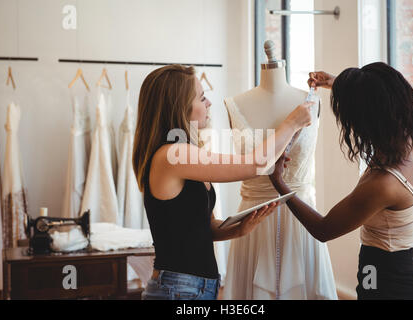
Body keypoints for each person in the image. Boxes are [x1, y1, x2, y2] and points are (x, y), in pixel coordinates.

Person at [132, 64, 313, 300]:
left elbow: (199, 229)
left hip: (196, 287)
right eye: (202, 97)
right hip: (178, 289)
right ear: (180, 106)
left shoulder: (183, 153)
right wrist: (291, 123)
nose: (208, 104)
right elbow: (255, 164)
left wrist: (238, 229)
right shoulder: (171, 155)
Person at [269, 62, 413, 300]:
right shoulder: (411, 137)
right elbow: (377, 99)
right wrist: (338, 84)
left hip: (388, 284)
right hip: (397, 270)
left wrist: (280, 183)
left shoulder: (383, 184)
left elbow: (322, 229)